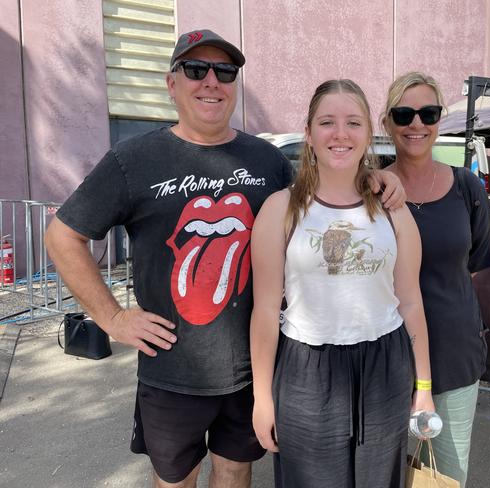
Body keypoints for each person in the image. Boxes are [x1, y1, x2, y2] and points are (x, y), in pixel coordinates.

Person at [44, 30, 405, 488]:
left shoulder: (265, 160)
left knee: (235, 473)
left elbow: (321, 192)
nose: (211, 81)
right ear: (172, 83)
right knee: (175, 479)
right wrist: (112, 317)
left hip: (249, 369)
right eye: (196, 70)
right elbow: (63, 237)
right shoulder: (133, 160)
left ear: (235, 83)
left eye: (225, 71)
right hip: (173, 370)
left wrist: (371, 176)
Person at [249, 79, 435, 488]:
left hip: (386, 368)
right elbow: (264, 310)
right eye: (327, 122)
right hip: (306, 370)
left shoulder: (394, 212)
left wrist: (423, 387)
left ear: (369, 134)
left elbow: (411, 304)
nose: (340, 134)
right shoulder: (280, 209)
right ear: (310, 133)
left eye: (353, 122)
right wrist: (263, 399)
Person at [380, 72, 490, 488]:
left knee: (446, 476)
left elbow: (474, 265)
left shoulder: (466, 186)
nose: (416, 124)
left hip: (454, 356)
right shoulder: (369, 189)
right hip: (383, 359)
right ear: (388, 122)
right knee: (382, 473)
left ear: (439, 119)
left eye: (427, 113)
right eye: (404, 113)